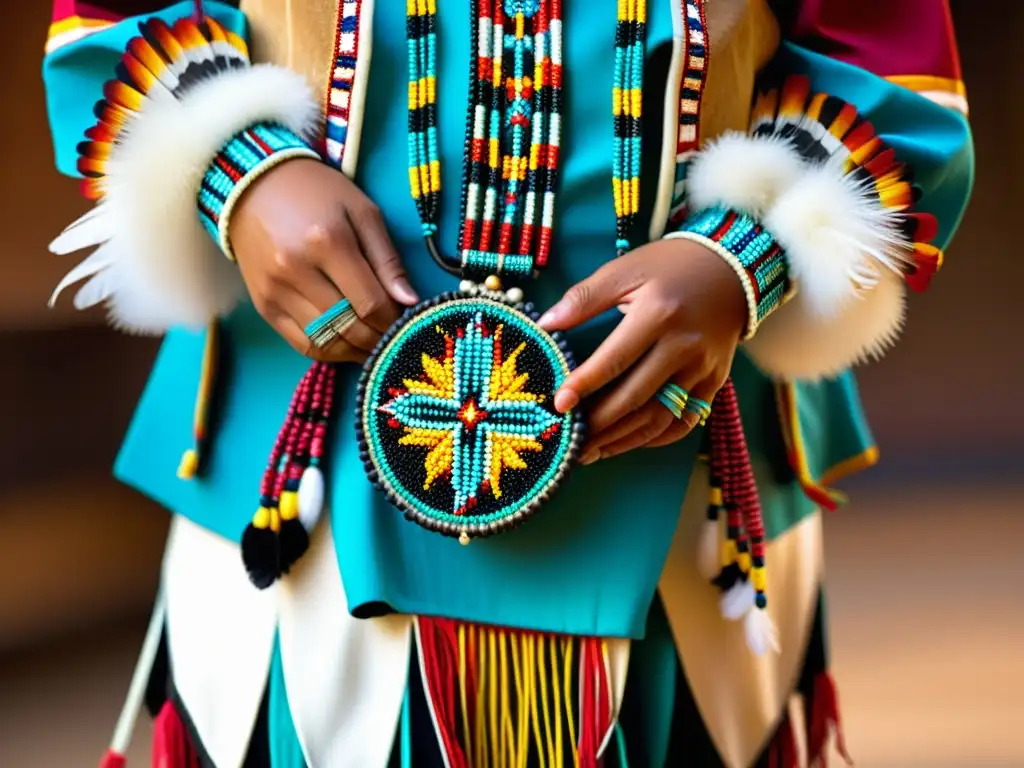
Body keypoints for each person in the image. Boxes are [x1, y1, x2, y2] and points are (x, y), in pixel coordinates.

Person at [43, 0, 973, 766]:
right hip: (295, 471)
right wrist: (234, 169)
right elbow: (111, 20)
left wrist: (753, 256)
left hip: (687, 482)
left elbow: (888, 57)